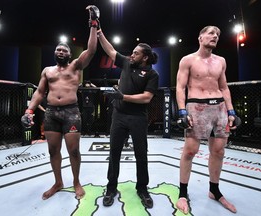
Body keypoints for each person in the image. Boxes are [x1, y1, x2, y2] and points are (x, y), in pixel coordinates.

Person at [21, 5, 99, 200]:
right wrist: (29, 111)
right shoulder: (47, 71)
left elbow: (91, 49)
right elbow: (39, 92)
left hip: (71, 112)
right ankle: (58, 182)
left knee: (73, 150)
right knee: (52, 150)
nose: (61, 51)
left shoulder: (75, 66)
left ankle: (76, 181)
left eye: (65, 49)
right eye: (58, 49)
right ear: (55, 53)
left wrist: (93, 24)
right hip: (51, 113)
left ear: (70, 54)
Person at [175, 26, 241, 214]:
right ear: (200, 36)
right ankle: (182, 193)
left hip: (219, 107)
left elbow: (225, 87)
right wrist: (181, 111)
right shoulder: (187, 60)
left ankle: (214, 190)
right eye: (211, 33)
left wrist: (231, 111)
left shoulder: (221, 61)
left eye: (218, 35)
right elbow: (180, 87)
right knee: (190, 151)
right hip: (196, 106)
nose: (215, 36)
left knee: (218, 151)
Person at [97, 26, 159, 208]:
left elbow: (147, 97)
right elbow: (109, 49)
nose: (131, 55)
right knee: (114, 152)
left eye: (135, 53)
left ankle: (142, 188)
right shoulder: (126, 63)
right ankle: (111, 187)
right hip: (119, 116)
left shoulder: (152, 74)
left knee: (141, 154)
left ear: (145, 57)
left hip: (138, 118)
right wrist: (98, 30)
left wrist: (122, 96)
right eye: (132, 53)